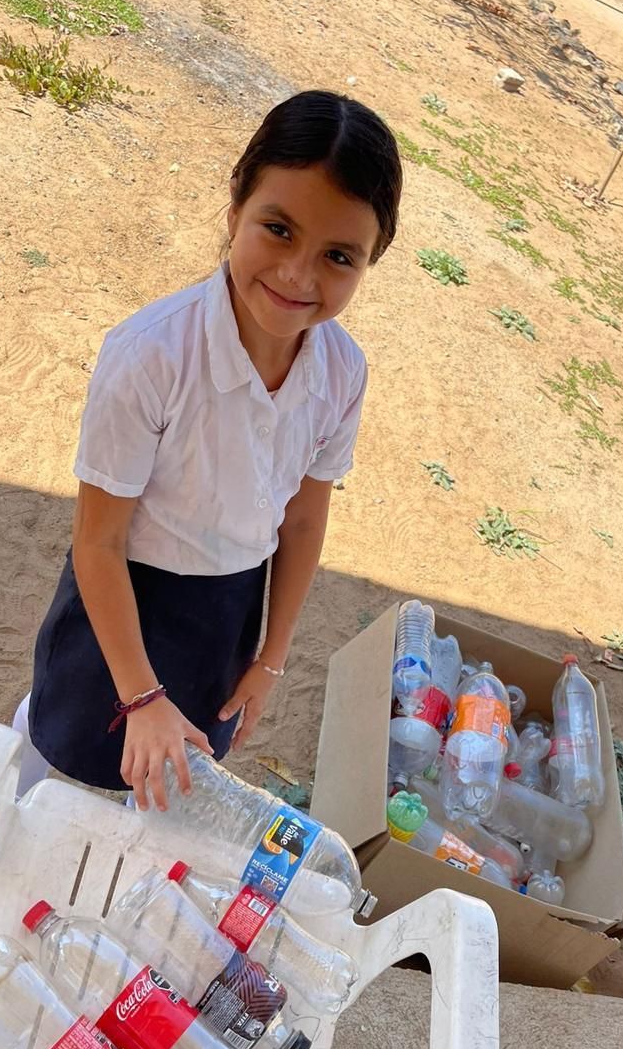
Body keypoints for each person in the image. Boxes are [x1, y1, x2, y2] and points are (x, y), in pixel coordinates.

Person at [27, 90, 403, 813]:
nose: (299, 276)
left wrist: (269, 658)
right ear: (235, 208)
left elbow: (300, 522)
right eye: (278, 229)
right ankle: (9, 816)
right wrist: (138, 694)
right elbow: (98, 543)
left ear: (369, 262)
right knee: (69, 748)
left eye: (338, 256)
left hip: (231, 606)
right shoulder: (151, 357)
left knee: (173, 775)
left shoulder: (341, 373)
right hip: (129, 594)